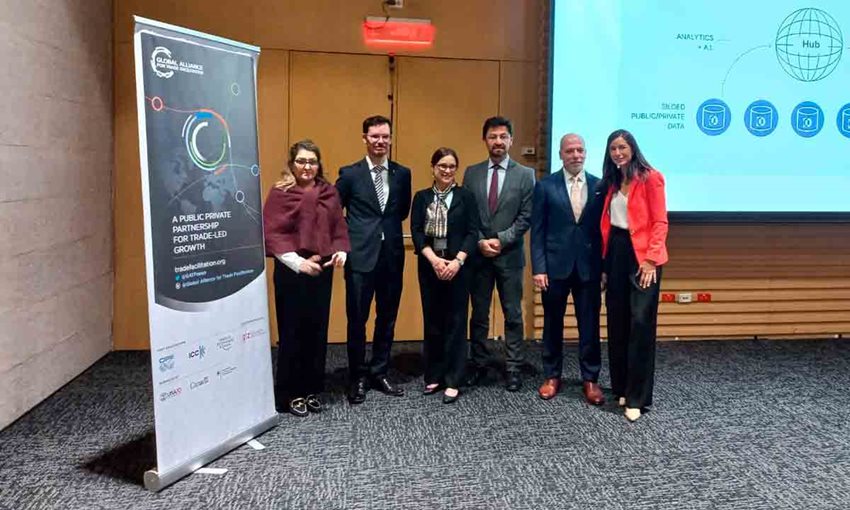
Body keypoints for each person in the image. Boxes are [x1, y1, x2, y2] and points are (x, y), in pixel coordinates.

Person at [263, 140, 350, 417]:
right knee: (292, 333)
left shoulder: (329, 192)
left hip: (321, 271)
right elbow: (273, 233)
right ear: (292, 164)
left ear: (319, 164)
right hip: (291, 272)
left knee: (316, 332)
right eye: (301, 161)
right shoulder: (280, 193)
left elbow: (338, 227)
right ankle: (289, 393)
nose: (307, 166)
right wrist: (299, 263)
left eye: (312, 161)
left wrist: (340, 253)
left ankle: (312, 388)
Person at [336, 115, 412, 404]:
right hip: (360, 258)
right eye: (375, 136)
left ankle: (379, 371)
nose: (380, 141)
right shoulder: (350, 174)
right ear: (364, 138)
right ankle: (357, 376)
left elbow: (401, 211)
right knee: (357, 319)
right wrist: (345, 244)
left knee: (387, 318)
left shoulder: (402, 174)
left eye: (385, 136)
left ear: (391, 139)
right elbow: (334, 213)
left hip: (391, 256)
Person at [600, 129, 669, 422]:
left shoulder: (651, 177)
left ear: (633, 149)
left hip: (643, 257)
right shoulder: (614, 181)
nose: (618, 152)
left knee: (640, 324)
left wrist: (651, 260)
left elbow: (660, 221)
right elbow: (607, 224)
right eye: (613, 148)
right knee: (617, 322)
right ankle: (622, 389)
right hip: (616, 251)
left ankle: (638, 398)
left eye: (622, 147)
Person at [530, 133, 605, 403]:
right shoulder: (545, 186)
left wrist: (604, 268)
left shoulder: (600, 186)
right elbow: (537, 231)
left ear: (586, 154)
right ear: (560, 154)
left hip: (589, 268)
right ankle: (552, 376)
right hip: (554, 268)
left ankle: (591, 379)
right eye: (570, 151)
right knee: (552, 324)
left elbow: (603, 232)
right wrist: (538, 268)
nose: (576, 155)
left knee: (590, 325)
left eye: (580, 150)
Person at [463, 116, 536, 391]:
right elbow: (468, 213)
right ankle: (479, 364)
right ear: (485, 140)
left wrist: (500, 240)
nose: (498, 141)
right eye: (493, 136)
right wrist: (481, 241)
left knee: (513, 313)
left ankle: (513, 366)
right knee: (479, 313)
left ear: (511, 140)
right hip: (479, 256)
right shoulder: (472, 173)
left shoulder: (526, 174)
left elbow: (526, 216)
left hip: (510, 255)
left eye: (503, 136)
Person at [411, 148, 480, 404]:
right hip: (430, 266)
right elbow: (417, 232)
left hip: (459, 268)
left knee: (456, 322)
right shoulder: (422, 197)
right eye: (442, 165)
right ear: (433, 167)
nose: (447, 170)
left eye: (452, 166)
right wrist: (435, 260)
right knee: (433, 321)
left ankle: (453, 380)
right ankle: (434, 375)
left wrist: (457, 261)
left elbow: (473, 232)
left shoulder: (466, 197)